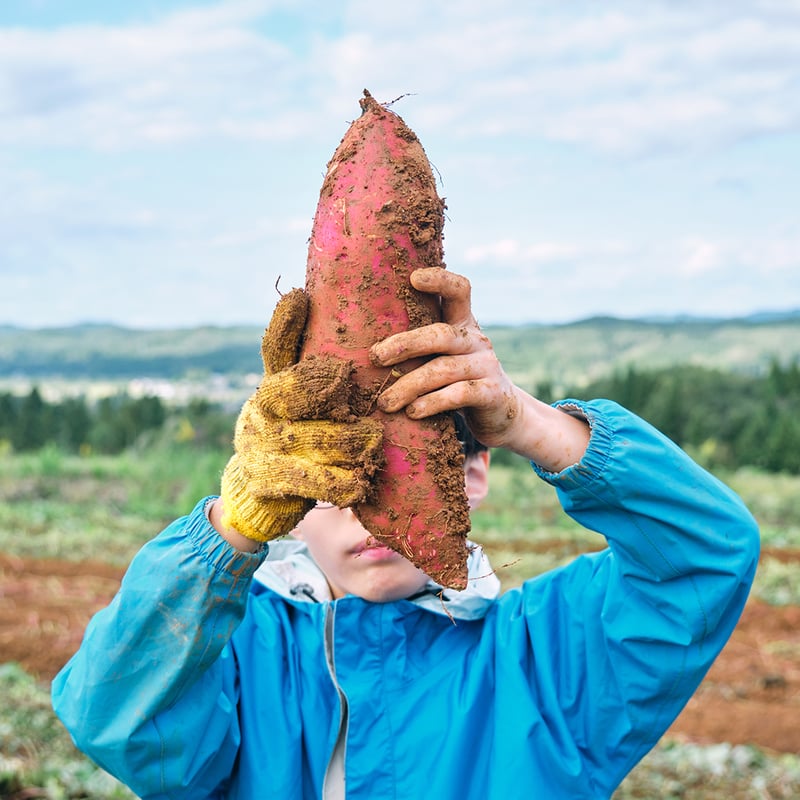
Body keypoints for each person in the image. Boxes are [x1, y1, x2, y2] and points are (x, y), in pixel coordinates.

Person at [52, 267, 760, 799]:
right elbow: (109, 713)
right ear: (295, 489)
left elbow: (705, 554)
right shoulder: (241, 652)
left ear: (472, 474)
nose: (369, 513)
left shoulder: (546, 658)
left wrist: (528, 422)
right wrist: (231, 528)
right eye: (338, 482)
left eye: (404, 474)